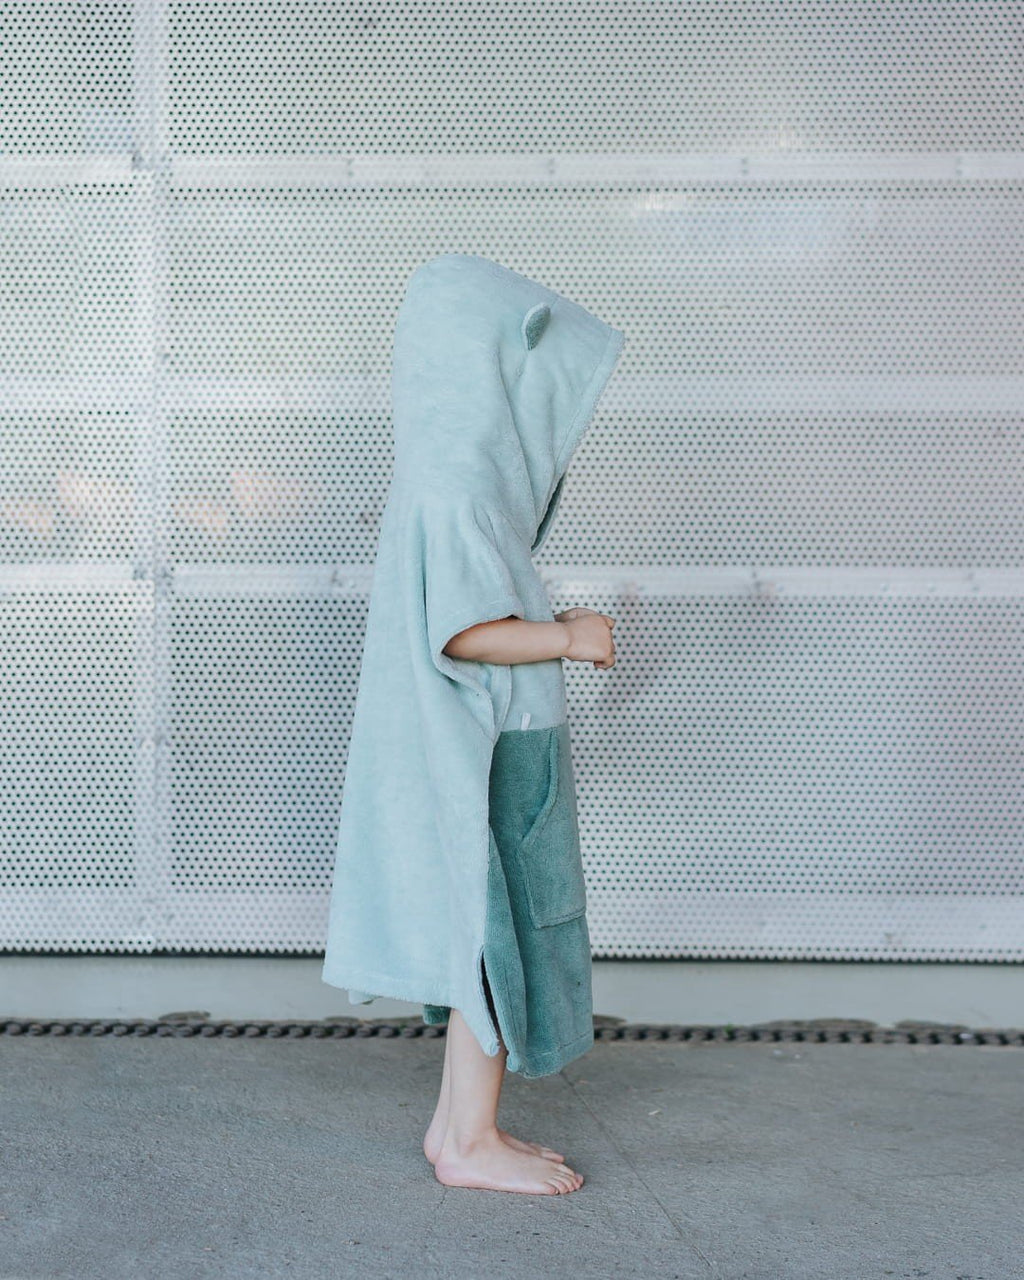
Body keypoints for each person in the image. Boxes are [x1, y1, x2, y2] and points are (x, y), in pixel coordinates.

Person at [321, 252, 626, 1196]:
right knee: (499, 942)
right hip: (488, 757)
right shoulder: (455, 487)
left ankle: (461, 1130)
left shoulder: (449, 477)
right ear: (490, 365)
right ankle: (471, 1142)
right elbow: (467, 631)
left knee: (485, 945)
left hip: (495, 746)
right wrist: (569, 635)